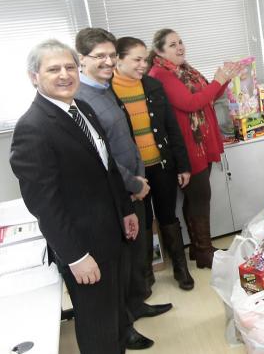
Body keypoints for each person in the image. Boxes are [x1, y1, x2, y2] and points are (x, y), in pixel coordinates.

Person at [10, 39, 140, 352]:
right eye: (53, 69)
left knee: (115, 317)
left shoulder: (80, 108)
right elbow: (45, 205)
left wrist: (125, 210)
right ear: (34, 77)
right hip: (84, 248)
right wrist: (76, 257)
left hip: (111, 234)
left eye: (69, 67)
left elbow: (106, 168)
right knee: (98, 326)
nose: (65, 74)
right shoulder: (33, 128)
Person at [74, 28, 172, 341]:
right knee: (119, 263)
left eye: (111, 55)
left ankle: (135, 305)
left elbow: (125, 139)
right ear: (82, 59)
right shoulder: (80, 98)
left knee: (135, 256)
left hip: (133, 184)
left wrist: (139, 177)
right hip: (118, 192)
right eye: (99, 56)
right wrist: (133, 183)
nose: (107, 61)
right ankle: (124, 328)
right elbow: (101, 157)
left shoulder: (105, 88)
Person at [147, 28, 242, 268]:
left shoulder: (184, 70)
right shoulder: (161, 74)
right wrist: (218, 81)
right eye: (172, 45)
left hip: (201, 141)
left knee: (196, 198)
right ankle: (204, 252)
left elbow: (207, 95)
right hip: (189, 146)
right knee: (200, 197)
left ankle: (200, 249)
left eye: (180, 42)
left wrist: (225, 77)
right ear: (158, 51)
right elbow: (191, 103)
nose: (180, 47)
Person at [113, 36, 195, 291]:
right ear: (118, 59)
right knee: (143, 221)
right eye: (136, 60)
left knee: (168, 215)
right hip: (132, 173)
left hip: (161, 165)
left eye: (144, 60)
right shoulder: (108, 92)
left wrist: (183, 165)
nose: (142, 65)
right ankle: (145, 275)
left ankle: (180, 268)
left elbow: (171, 128)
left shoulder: (152, 86)